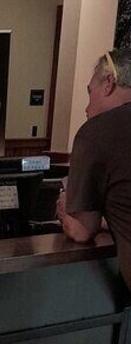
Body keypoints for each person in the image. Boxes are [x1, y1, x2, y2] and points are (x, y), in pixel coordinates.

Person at [57, 48, 131, 290]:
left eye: (90, 93)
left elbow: (81, 231)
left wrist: (65, 210)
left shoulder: (97, 132)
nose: (87, 109)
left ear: (109, 82)